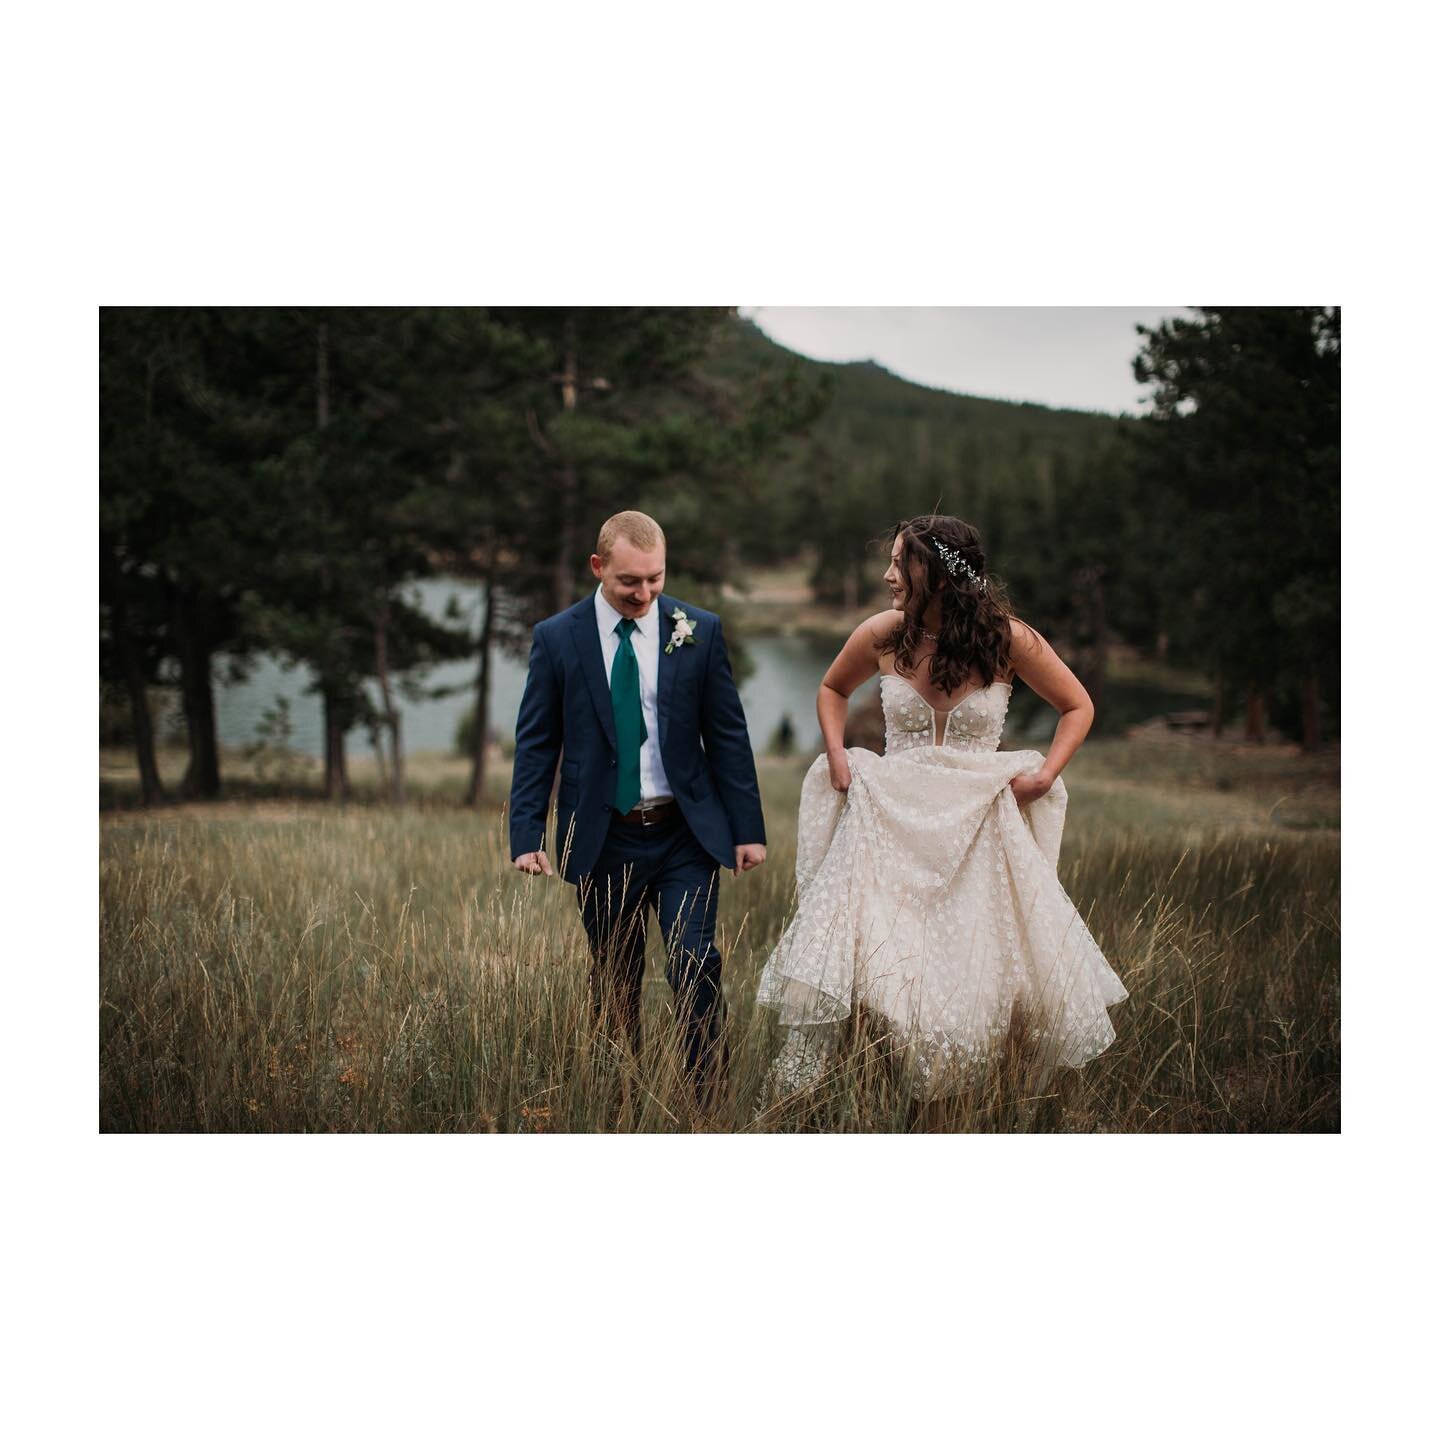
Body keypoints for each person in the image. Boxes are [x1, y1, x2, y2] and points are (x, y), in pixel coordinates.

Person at [754, 515, 1128, 1105]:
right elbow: (831, 689)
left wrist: (1045, 774)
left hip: (979, 825)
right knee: (880, 964)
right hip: (888, 822)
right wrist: (835, 755)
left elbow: (1076, 705)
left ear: (934, 570)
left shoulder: (1007, 639)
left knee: (973, 971)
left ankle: (962, 1106)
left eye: (900, 562)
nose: (888, 575)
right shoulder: (883, 633)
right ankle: (871, 1097)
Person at [509, 511, 767, 1112]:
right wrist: (526, 832)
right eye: (631, 581)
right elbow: (537, 742)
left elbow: (727, 736)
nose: (646, 593)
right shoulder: (557, 637)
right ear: (598, 568)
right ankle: (620, 1105)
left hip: (684, 834)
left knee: (695, 965)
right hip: (604, 838)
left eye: (656, 579)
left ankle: (707, 1106)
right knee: (615, 978)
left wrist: (747, 829)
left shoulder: (696, 629)